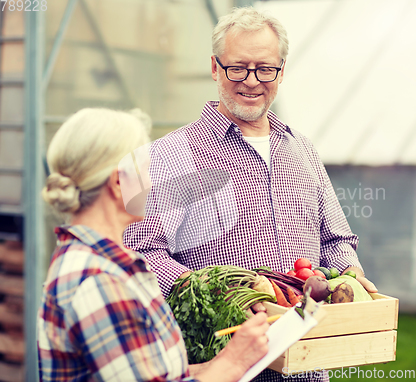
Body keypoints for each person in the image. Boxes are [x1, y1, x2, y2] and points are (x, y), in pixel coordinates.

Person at [123, 7, 377, 382]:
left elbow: (335, 238)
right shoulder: (166, 156)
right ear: (214, 67)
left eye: (265, 68)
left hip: (308, 368)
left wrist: (349, 275)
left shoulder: (302, 149)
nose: (252, 81)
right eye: (238, 68)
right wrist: (225, 294)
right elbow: (141, 254)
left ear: (281, 70)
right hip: (224, 368)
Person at [37, 108, 270, 382]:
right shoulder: (100, 281)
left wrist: (213, 365)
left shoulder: (101, 262)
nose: (153, 182)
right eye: (147, 170)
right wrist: (233, 362)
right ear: (117, 182)